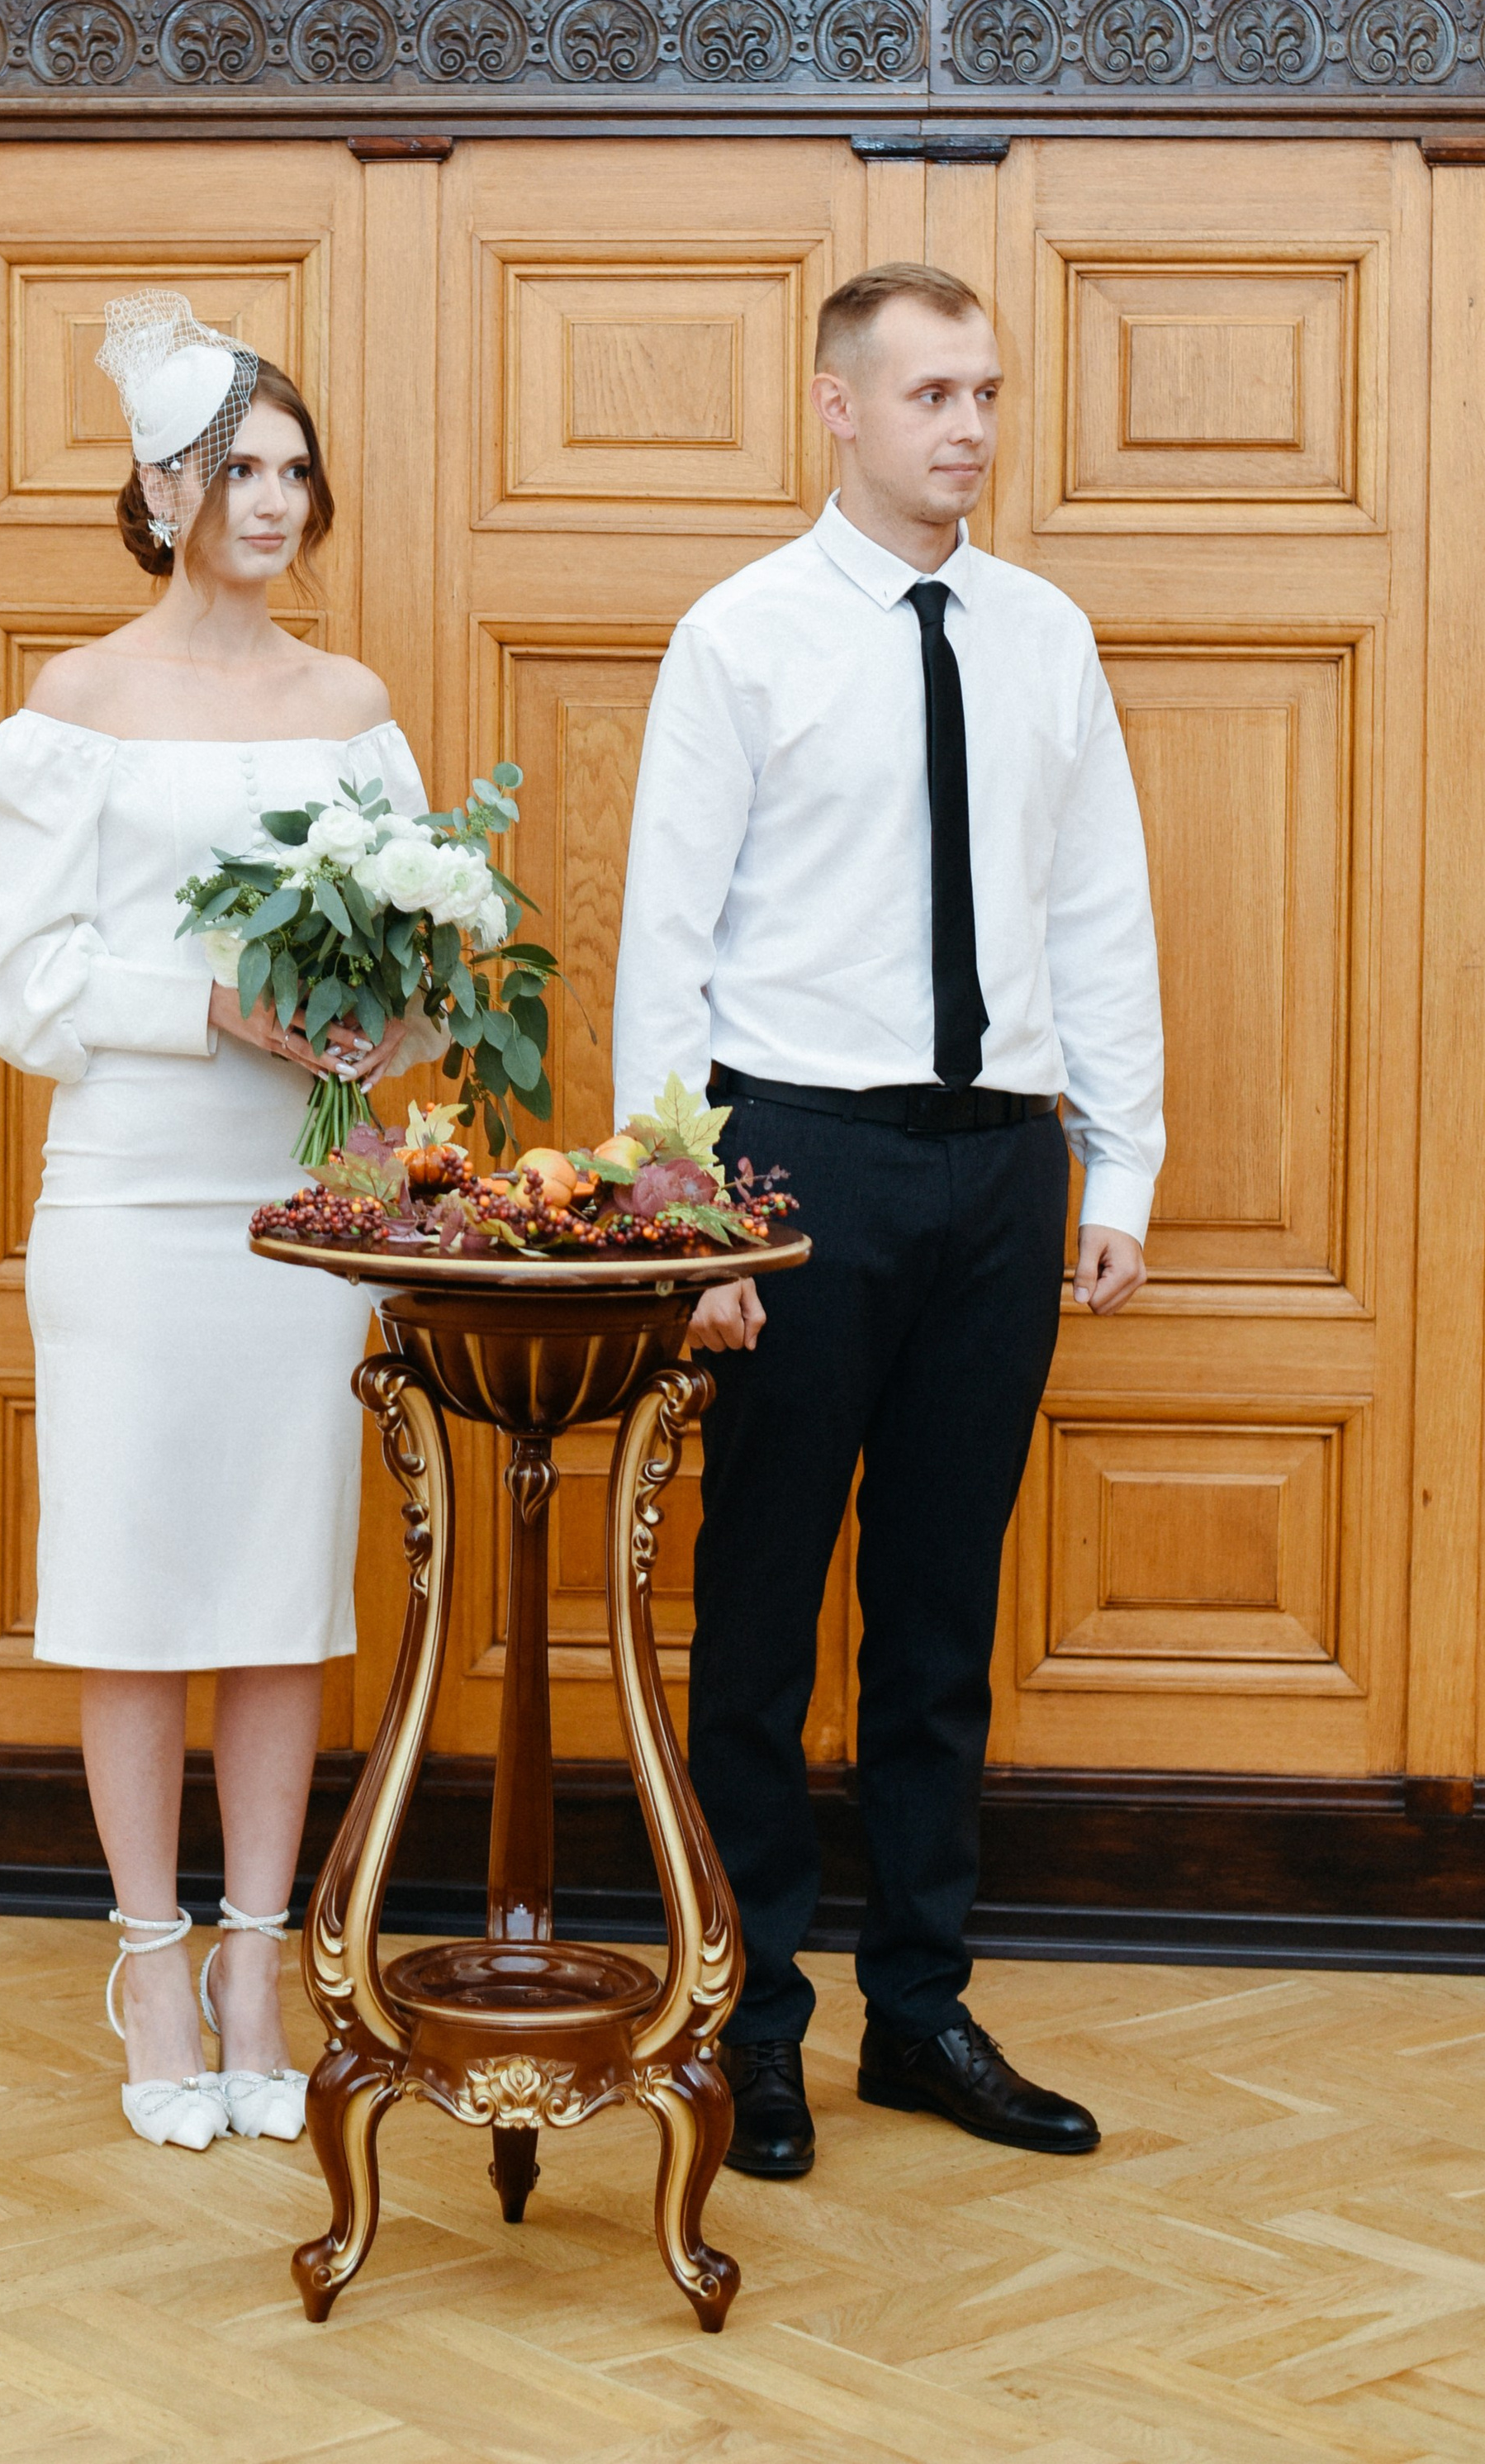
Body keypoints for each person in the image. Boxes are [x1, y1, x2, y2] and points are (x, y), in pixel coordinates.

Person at [611, 260, 1163, 2178]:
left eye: (987, 393)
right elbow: (661, 944)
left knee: (938, 1616)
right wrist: (685, 1225)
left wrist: (1124, 1159)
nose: (971, 429)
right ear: (835, 407)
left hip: (999, 1166)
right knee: (757, 1615)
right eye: (931, 393)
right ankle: (749, 2020)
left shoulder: (1041, 636)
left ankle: (917, 2010)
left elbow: (1096, 904)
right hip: (791, 1164)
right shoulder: (740, 637)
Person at [0, 292, 433, 2153]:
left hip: (302, 1200)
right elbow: (23, 979)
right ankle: (148, 1955)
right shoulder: (71, 708)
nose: (273, 499)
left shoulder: (352, 711)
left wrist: (382, 1026)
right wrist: (210, 1002)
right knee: (138, 1588)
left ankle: (260, 1957)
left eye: (294, 469)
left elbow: (411, 964)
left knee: (281, 1595)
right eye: (239, 468)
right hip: (136, 1195)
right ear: (159, 490)